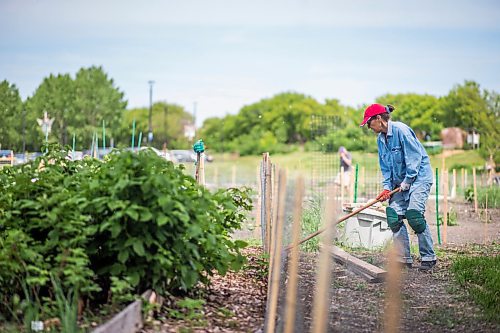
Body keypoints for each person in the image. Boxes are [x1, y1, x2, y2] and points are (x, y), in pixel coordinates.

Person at [360, 103, 437, 271]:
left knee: (414, 216)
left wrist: (408, 181)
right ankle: (403, 258)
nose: (368, 126)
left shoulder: (401, 131)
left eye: (368, 122)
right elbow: (386, 168)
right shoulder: (380, 140)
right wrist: (387, 188)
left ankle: (428, 258)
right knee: (394, 216)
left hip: (418, 178)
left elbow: (414, 158)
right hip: (400, 183)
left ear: (378, 119)